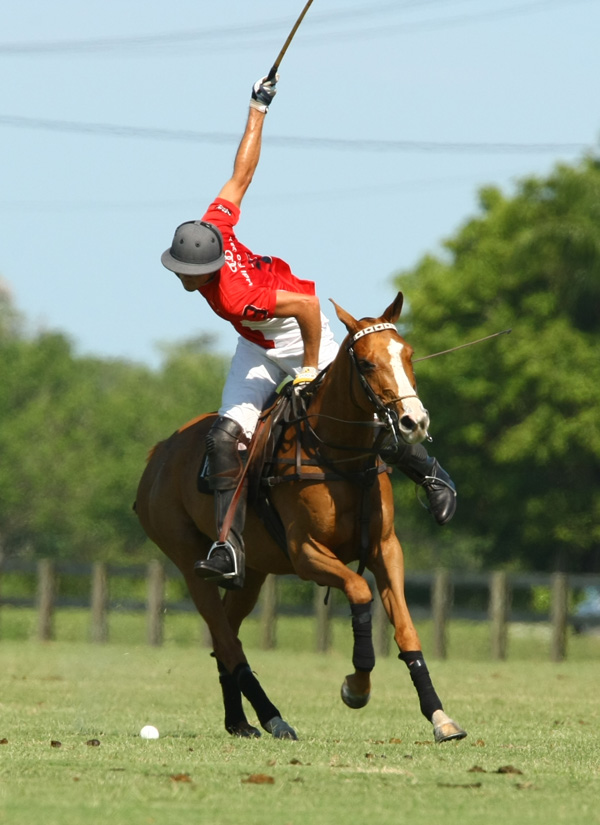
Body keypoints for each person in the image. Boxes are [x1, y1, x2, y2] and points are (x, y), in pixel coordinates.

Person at [160, 74, 457, 590]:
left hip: (302, 334)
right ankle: (229, 547)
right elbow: (241, 173)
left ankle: (431, 473)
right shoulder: (214, 228)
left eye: (187, 273)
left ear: (208, 269)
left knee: (367, 408)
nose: (181, 278)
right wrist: (258, 108)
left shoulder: (232, 294)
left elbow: (306, 307)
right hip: (256, 343)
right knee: (224, 438)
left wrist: (310, 368)